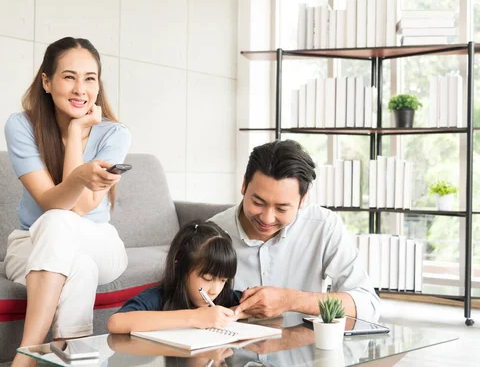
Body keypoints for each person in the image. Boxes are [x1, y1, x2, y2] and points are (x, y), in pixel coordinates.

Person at [3, 37, 132, 367]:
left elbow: (81, 209)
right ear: (47, 81)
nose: (81, 89)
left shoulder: (115, 134)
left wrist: (77, 133)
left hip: (98, 241)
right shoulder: (21, 126)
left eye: (90, 78)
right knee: (80, 268)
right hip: (29, 243)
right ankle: (80, 362)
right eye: (69, 76)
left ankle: (26, 355)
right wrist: (77, 143)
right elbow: (50, 202)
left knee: (62, 225)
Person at [209, 140, 380, 321]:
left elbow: (367, 305)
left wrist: (291, 300)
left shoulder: (322, 226)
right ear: (244, 184)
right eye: (258, 203)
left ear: (302, 199)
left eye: (282, 209)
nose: (267, 218)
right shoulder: (211, 235)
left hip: (304, 346)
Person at [107, 221, 249, 334]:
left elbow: (252, 305)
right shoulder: (159, 297)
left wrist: (236, 313)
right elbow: (116, 323)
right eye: (207, 278)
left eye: (223, 280)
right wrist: (195, 317)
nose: (215, 290)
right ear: (181, 267)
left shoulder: (223, 296)